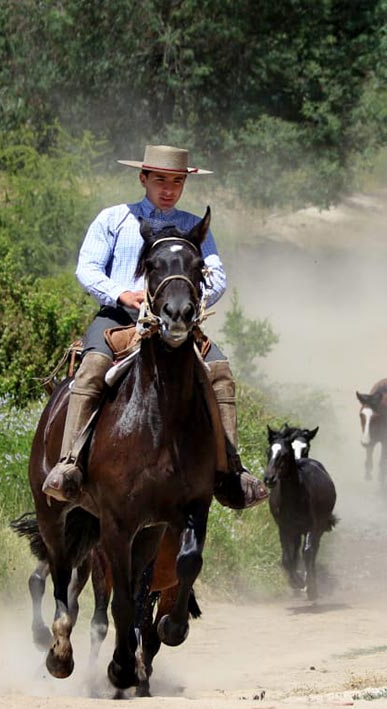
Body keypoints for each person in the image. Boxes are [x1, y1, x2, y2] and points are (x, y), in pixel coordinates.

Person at [41, 144, 268, 510]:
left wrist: (189, 301)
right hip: (119, 318)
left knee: (221, 373)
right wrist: (121, 294)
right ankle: (69, 464)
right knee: (93, 368)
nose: (168, 189)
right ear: (143, 178)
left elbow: (217, 276)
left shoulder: (195, 227)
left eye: (177, 182)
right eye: (160, 180)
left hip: (178, 322)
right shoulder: (114, 219)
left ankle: (231, 472)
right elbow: (88, 268)